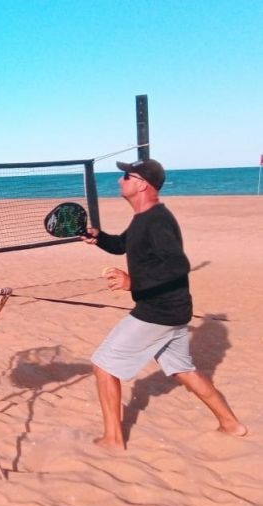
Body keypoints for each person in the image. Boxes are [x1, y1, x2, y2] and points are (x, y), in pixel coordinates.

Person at [82, 158, 246, 450]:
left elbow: (177, 266)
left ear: (142, 184)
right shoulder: (144, 216)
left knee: (103, 367)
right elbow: (123, 244)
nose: (120, 181)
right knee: (184, 370)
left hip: (156, 312)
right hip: (175, 311)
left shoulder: (157, 220)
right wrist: (99, 238)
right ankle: (231, 424)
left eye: (126, 177)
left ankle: (113, 439)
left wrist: (133, 282)